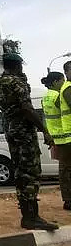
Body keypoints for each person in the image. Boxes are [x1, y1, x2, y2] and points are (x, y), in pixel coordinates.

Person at [0, 41, 57, 230]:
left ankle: (26, 214)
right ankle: (31, 216)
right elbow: (26, 108)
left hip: (10, 129)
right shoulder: (17, 83)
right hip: (23, 131)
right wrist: (43, 129)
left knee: (20, 171)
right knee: (31, 171)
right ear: (17, 66)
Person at [56, 66, 71, 210]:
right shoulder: (68, 88)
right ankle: (68, 200)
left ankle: (68, 200)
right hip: (69, 137)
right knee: (66, 170)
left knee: (66, 169)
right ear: (66, 72)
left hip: (66, 136)